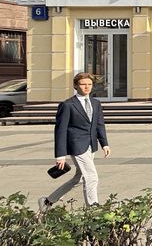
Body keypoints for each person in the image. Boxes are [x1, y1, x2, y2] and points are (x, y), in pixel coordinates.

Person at [39, 73, 110, 210]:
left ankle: (47, 202)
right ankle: (93, 209)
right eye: (83, 84)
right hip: (76, 145)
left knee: (79, 179)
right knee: (92, 177)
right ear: (76, 86)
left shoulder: (96, 103)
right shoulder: (67, 105)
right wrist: (60, 155)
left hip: (91, 145)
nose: (87, 87)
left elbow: (99, 124)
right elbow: (60, 130)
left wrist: (104, 143)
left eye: (89, 84)